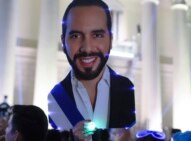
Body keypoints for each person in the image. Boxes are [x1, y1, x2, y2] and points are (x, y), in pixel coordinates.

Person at [48, 0, 136, 140]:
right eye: (75, 36)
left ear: (111, 39)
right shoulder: (56, 97)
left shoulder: (126, 89)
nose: (87, 48)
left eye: (97, 35)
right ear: (63, 41)